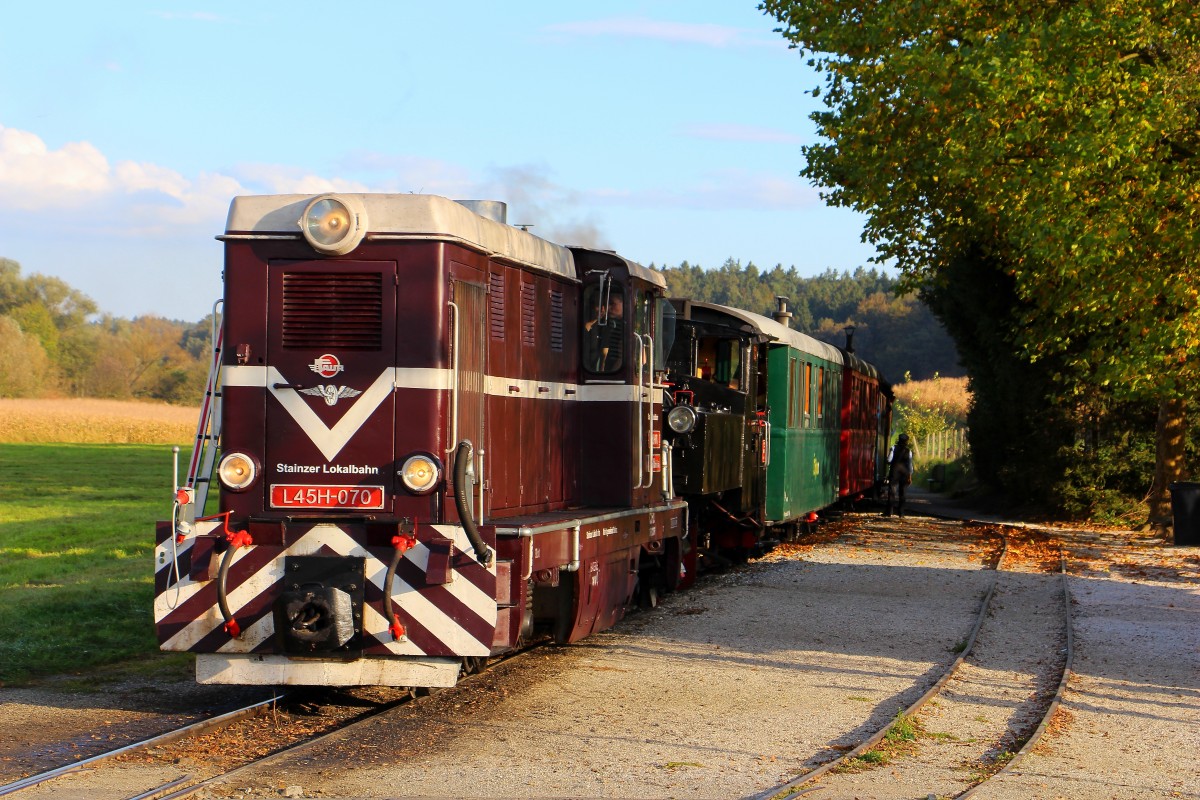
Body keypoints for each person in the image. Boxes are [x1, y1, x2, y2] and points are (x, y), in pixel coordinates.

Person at [885, 433, 914, 518]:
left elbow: (889, 459)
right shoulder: (909, 451)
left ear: (898, 439)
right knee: (903, 493)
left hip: (894, 473)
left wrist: (892, 463)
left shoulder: (893, 448)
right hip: (904, 474)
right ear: (906, 441)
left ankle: (889, 512)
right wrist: (910, 476)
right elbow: (910, 465)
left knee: (892, 492)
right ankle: (901, 513)